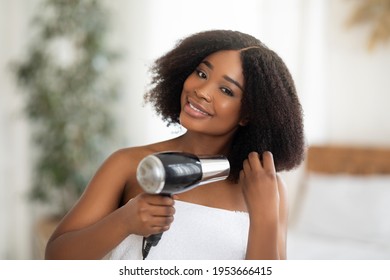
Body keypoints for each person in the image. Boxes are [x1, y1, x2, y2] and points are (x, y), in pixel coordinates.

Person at [45, 29, 305, 260]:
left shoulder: (267, 188)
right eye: (201, 73)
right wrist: (123, 222)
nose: (202, 91)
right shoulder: (128, 164)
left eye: (226, 90)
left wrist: (265, 218)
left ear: (250, 113)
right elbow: (56, 257)